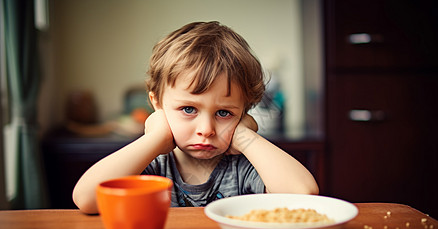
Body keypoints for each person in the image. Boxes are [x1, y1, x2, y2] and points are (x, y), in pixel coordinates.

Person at [73, 21, 319, 214]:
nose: (206, 129)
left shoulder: (243, 167)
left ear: (243, 113)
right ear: (157, 103)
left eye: (224, 113)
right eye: (188, 109)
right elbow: (86, 199)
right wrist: (154, 138)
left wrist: (245, 137)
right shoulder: (152, 164)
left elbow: (304, 196)